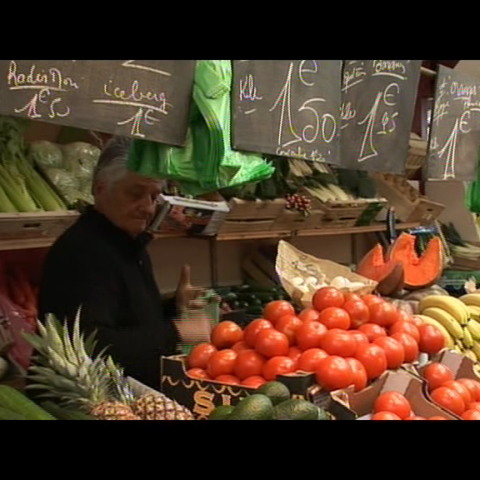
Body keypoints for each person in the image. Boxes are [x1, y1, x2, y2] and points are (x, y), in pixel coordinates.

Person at [38, 136, 212, 390]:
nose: (148, 208)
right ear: (100, 188)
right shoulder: (81, 251)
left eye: (154, 197)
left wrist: (174, 306)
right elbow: (93, 345)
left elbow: (131, 320)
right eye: (135, 193)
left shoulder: (127, 244)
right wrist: (178, 332)